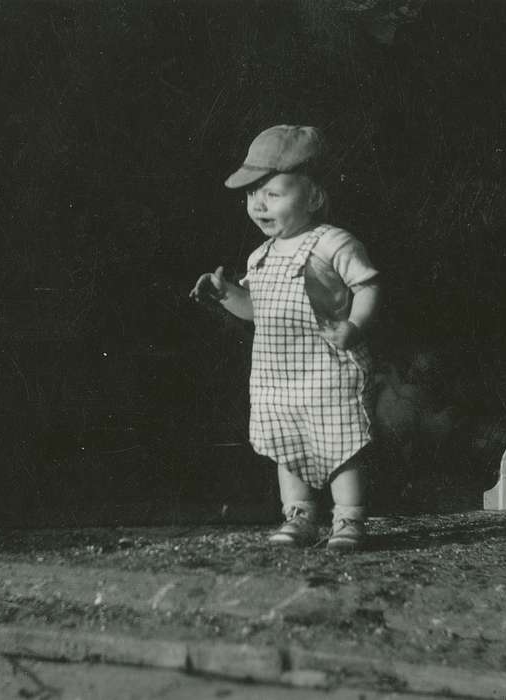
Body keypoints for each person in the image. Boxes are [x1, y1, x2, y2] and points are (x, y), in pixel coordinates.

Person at [190, 125, 382, 551]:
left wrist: (352, 326)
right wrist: (227, 295)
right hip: (278, 374)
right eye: (250, 196)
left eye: (272, 194)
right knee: (286, 444)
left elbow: (368, 287)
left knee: (340, 443)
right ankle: (299, 516)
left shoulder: (333, 243)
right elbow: (258, 311)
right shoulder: (261, 254)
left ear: (313, 197)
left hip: (327, 367)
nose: (258, 205)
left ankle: (349, 519)